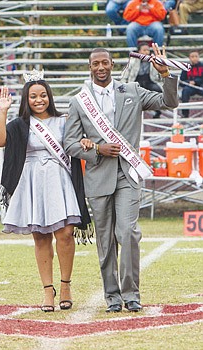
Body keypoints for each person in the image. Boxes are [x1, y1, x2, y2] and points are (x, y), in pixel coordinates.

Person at [64, 44, 178, 313]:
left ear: (113, 64)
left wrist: (166, 75)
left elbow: (168, 102)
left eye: (105, 62)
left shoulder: (132, 91)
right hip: (98, 175)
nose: (101, 67)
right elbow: (70, 143)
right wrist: (97, 149)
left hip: (128, 174)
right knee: (105, 242)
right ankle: (112, 296)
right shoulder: (79, 102)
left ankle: (131, 294)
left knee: (128, 233)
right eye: (95, 64)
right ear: (90, 67)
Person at [0, 72, 91, 313]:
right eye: (33, 96)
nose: (39, 100)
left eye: (43, 95)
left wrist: (86, 143)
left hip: (59, 179)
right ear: (26, 99)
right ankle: (48, 290)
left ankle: (65, 285)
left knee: (66, 233)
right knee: (40, 235)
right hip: (32, 180)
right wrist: (3, 111)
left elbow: (77, 143)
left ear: (50, 96)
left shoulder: (63, 121)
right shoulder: (19, 124)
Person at [120, 41, 163, 117]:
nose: (147, 52)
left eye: (148, 50)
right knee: (133, 93)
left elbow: (160, 75)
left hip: (149, 81)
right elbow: (125, 74)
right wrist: (122, 85)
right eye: (144, 50)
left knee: (157, 90)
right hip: (136, 82)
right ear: (139, 51)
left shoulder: (154, 60)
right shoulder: (132, 60)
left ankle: (157, 111)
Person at [179, 50, 203, 118]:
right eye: (192, 56)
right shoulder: (186, 67)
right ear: (189, 58)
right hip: (190, 87)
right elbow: (182, 81)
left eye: (196, 56)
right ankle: (185, 114)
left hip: (201, 86)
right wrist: (189, 82)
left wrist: (196, 81)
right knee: (185, 91)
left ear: (198, 57)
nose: (194, 58)